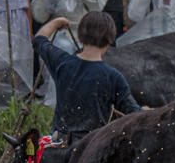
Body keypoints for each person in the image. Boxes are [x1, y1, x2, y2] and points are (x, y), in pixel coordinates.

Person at [33, 13, 142, 146]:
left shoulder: (62, 63)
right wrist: (147, 112)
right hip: (92, 148)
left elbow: (39, 40)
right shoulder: (113, 77)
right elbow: (134, 113)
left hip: (61, 146)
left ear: (80, 37)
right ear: (110, 41)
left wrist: (57, 22)